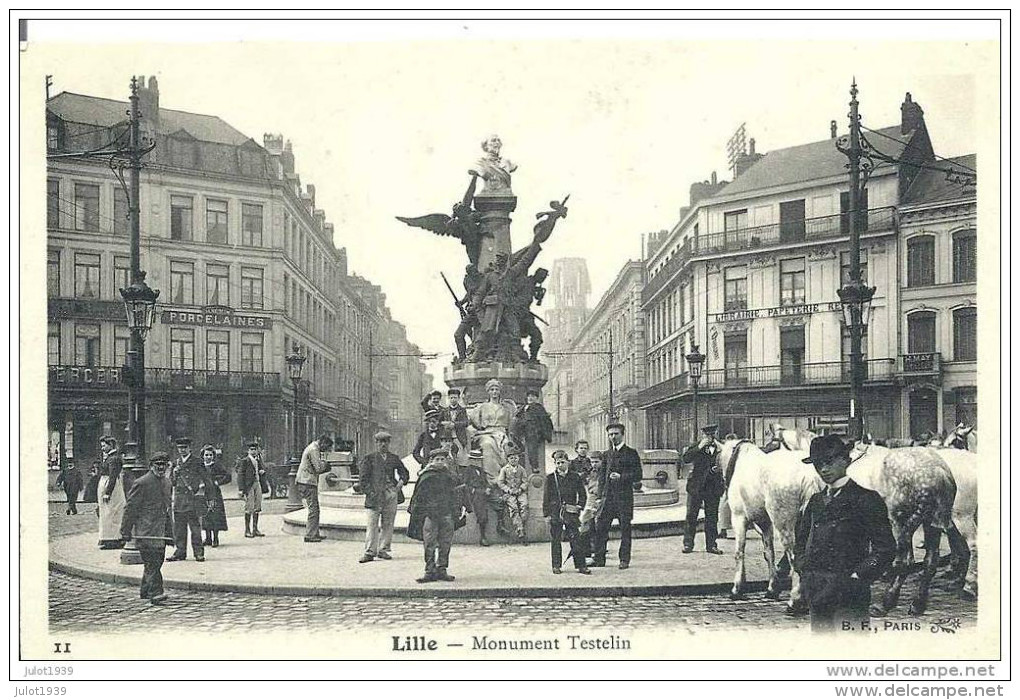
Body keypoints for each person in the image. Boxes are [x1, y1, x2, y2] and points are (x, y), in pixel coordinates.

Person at [794, 434, 896, 633]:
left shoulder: (866, 499)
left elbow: (885, 549)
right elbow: (800, 541)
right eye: (818, 464)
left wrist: (860, 575)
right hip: (818, 594)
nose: (824, 469)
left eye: (829, 462)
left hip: (850, 596)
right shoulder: (815, 502)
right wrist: (804, 570)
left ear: (846, 460)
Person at [120, 452, 174, 606]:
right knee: (152, 562)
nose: (161, 468)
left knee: (157, 560)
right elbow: (131, 508)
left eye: (164, 465)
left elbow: (167, 507)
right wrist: (125, 530)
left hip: (161, 530)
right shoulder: (142, 483)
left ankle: (145, 589)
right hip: (146, 530)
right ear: (151, 466)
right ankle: (156, 593)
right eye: (158, 465)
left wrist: (171, 530)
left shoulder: (167, 482)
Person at [591, 423, 642, 569]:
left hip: (624, 498)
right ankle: (599, 558)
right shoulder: (606, 454)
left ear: (622, 434)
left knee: (625, 529)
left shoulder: (631, 453)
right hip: (608, 499)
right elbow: (602, 477)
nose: (613, 437)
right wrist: (600, 496)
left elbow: (638, 475)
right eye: (610, 434)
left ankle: (624, 560)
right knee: (601, 527)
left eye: (616, 434)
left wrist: (622, 476)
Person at [407, 448, 461, 583]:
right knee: (429, 543)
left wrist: (457, 509)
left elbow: (456, 494)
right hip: (431, 515)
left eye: (442, 459)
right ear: (431, 461)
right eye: (437, 459)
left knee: (445, 542)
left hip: (446, 513)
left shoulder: (450, 476)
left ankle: (442, 569)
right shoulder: (426, 476)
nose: (440, 462)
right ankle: (429, 570)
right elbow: (418, 497)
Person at [359, 431, 410, 564]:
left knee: (388, 524)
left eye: (385, 442)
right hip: (374, 497)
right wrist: (370, 493)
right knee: (372, 524)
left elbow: (404, 473)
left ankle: (383, 550)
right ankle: (369, 552)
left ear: (389, 443)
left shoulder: (394, 458)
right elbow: (363, 481)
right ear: (376, 443)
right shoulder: (369, 458)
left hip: (390, 495)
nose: (383, 444)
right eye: (380, 442)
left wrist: (398, 485)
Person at [167, 437, 213, 562]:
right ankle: (180, 552)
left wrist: (210, 498)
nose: (182, 450)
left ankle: (198, 552)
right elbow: (171, 482)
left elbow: (207, 480)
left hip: (192, 498)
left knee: (195, 528)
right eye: (180, 448)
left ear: (189, 448)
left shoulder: (197, 462)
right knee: (179, 528)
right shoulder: (176, 462)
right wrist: (174, 474)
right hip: (179, 499)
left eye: (184, 447)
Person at [544, 450, 591, 575]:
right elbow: (546, 498)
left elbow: (582, 494)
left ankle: (581, 566)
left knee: (575, 538)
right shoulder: (550, 478)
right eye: (557, 463)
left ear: (568, 462)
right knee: (556, 540)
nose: (560, 465)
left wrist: (579, 507)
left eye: (562, 462)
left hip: (571, 512)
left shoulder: (575, 477)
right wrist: (546, 514)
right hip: (556, 512)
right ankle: (556, 565)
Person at [681, 425, 726, 555]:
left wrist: (719, 469)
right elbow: (686, 458)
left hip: (713, 487)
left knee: (712, 517)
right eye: (707, 435)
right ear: (703, 435)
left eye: (712, 435)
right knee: (691, 515)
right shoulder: (696, 446)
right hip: (696, 486)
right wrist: (700, 446)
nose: (710, 438)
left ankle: (711, 545)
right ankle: (688, 544)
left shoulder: (720, 447)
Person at [467, 378, 514, 482]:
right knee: (487, 444)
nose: (494, 392)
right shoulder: (482, 407)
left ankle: (505, 478)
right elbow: (471, 420)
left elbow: (510, 425)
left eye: (496, 389)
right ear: (488, 392)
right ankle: (493, 479)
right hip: (486, 433)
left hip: (501, 433)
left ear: (500, 391)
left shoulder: (505, 408)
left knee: (506, 446)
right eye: (492, 389)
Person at [296, 434, 334, 543]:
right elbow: (318, 468)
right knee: (314, 509)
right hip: (307, 482)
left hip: (305, 481)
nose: (326, 450)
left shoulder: (313, 447)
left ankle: (314, 532)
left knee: (315, 509)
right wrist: (327, 465)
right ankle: (310, 535)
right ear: (323, 443)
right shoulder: (314, 450)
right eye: (327, 447)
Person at [513, 389, 554, 474]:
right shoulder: (524, 407)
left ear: (536, 398)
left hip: (534, 432)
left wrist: (545, 433)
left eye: (533, 396)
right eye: (529, 396)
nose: (530, 398)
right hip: (523, 431)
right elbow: (518, 418)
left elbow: (544, 420)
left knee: (532, 448)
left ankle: (534, 466)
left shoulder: (539, 407)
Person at [459, 447, 493, 546]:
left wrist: (488, 488)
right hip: (474, 493)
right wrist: (477, 490)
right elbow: (465, 485)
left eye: (479, 460)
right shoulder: (468, 470)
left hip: (483, 491)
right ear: (471, 460)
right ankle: (483, 537)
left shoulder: (481, 470)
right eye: (475, 460)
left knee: (498, 501)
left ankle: (501, 523)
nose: (477, 462)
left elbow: (486, 482)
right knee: (481, 509)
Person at [97, 436, 126, 549]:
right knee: (107, 512)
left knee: (111, 512)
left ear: (111, 445)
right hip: (107, 483)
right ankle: (109, 538)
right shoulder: (110, 457)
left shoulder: (113, 458)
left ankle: (113, 539)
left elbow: (113, 476)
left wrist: (107, 492)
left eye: (104, 446)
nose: (102, 448)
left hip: (110, 485)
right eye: (102, 446)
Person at [496, 445, 530, 544]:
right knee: (514, 508)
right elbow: (500, 483)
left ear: (518, 458)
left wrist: (521, 489)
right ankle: (521, 531)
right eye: (511, 458)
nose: (514, 460)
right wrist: (508, 490)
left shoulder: (522, 469)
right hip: (509, 493)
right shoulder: (504, 470)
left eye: (515, 457)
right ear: (508, 459)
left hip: (520, 492)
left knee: (525, 505)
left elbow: (525, 481)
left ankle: (520, 527)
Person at [235, 441, 269, 538]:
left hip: (257, 484)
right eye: (251, 449)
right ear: (248, 451)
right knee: (249, 507)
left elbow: (263, 469)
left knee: (257, 506)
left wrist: (262, 471)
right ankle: (247, 530)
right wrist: (241, 489)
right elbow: (240, 475)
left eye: (255, 449)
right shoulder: (245, 461)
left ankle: (255, 529)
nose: (253, 451)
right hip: (249, 485)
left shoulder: (258, 460)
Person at [199, 445, 230, 548]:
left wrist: (218, 482)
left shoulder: (217, 466)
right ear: (202, 456)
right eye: (206, 455)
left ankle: (215, 538)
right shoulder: (200, 466)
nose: (208, 457)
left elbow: (227, 476)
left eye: (210, 455)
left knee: (215, 515)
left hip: (215, 493)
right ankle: (208, 538)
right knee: (205, 515)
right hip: (204, 493)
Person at [577, 450, 605, 559]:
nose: (594, 464)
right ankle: (586, 549)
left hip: (600, 498)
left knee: (597, 524)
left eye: (597, 462)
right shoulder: (591, 472)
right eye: (592, 462)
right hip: (591, 498)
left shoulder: (604, 472)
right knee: (585, 522)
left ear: (602, 461)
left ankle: (596, 549)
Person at [446, 388, 471, 461]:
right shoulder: (444, 411)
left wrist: (455, 424)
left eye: (455, 398)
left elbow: (466, 422)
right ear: (448, 398)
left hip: (459, 437)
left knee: (460, 457)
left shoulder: (462, 410)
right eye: (451, 398)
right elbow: (440, 422)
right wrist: (445, 424)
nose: (453, 399)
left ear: (459, 398)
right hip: (448, 438)